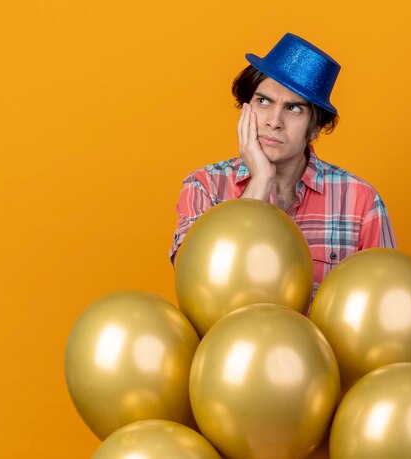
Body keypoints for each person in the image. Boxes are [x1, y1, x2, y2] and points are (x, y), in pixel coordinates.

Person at [170, 33, 396, 295]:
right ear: (245, 109)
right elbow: (195, 276)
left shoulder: (361, 203)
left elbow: (384, 302)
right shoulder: (205, 186)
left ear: (315, 129)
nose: (274, 121)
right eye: (263, 101)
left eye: (294, 109)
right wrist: (261, 181)